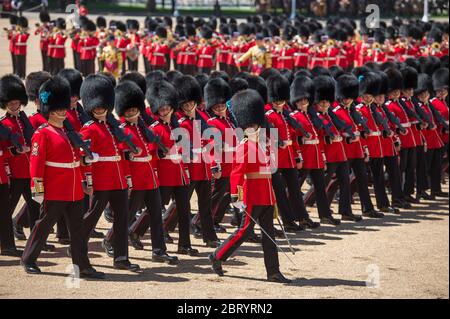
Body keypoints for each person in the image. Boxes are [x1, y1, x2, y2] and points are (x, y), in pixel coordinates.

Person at [20, 76, 104, 279]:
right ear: (50, 109)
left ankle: (82, 265)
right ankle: (28, 259)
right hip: (55, 189)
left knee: (77, 229)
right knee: (44, 225)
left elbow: (77, 161)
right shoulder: (43, 133)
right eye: (57, 108)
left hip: (74, 189)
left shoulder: (69, 132)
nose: (61, 111)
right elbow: (36, 165)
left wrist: (85, 179)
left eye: (63, 107)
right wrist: (38, 190)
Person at [209, 89, 291, 284]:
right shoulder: (244, 146)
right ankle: (218, 255)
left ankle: (273, 272)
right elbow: (237, 173)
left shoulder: (264, 143)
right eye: (249, 126)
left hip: (266, 194)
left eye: (255, 125)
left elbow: (269, 170)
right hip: (252, 194)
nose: (253, 128)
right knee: (244, 232)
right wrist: (237, 198)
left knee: (269, 236)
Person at [79, 74, 140, 272]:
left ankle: (121, 257)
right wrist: (88, 180)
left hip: (119, 179)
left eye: (102, 106)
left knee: (123, 219)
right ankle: (77, 246)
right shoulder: (88, 129)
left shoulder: (114, 127)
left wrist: (128, 178)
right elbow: (83, 159)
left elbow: (121, 155)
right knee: (91, 217)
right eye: (96, 107)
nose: (99, 109)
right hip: (101, 180)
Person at [146, 80, 198, 256]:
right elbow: (152, 154)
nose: (165, 111)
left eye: (167, 108)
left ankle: (184, 244)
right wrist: (161, 154)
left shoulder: (177, 126)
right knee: (155, 212)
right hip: (164, 175)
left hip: (180, 174)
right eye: (161, 109)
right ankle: (141, 235)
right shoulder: (155, 129)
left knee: (184, 211)